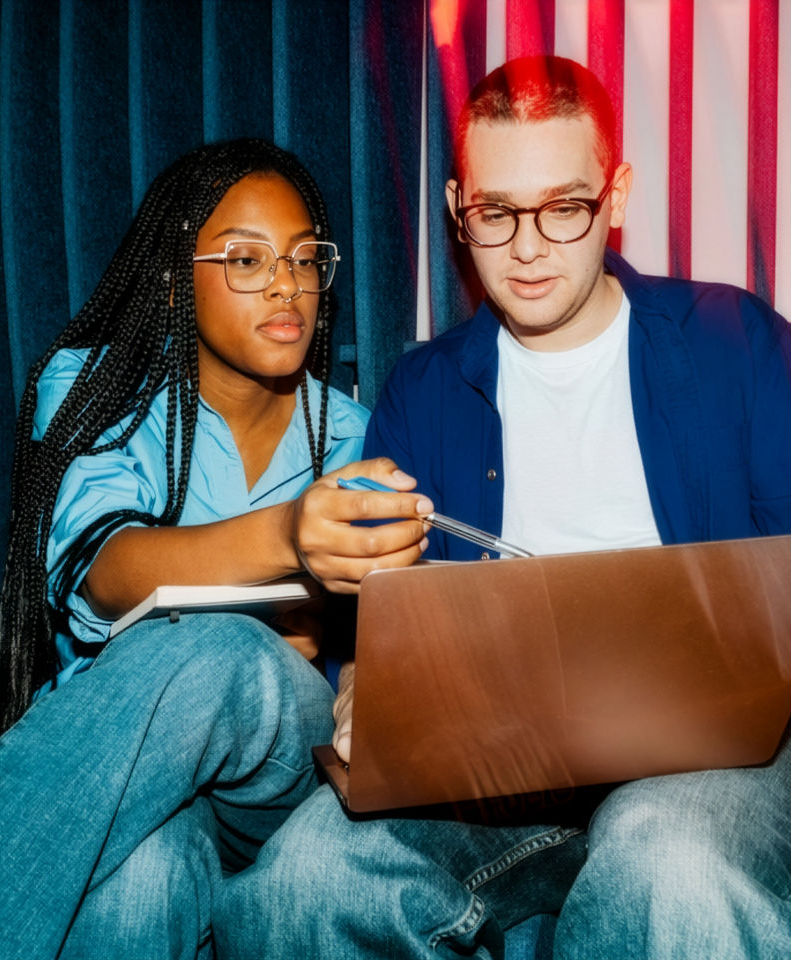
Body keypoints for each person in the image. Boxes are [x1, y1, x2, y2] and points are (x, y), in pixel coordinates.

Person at [215, 57, 791, 959]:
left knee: (665, 861)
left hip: (708, 763)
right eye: (495, 212)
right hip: (494, 773)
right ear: (457, 207)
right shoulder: (423, 390)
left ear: (617, 193)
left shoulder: (739, 341)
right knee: (302, 882)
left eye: (565, 207)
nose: (528, 248)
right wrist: (366, 688)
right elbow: (378, 621)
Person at [0, 138, 432, 959]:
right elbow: (104, 572)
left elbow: (332, 649)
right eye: (244, 258)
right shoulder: (95, 392)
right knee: (147, 879)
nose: (284, 283)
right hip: (123, 785)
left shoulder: (353, 437)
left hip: (283, 777)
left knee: (223, 648)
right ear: (172, 276)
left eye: (305, 260)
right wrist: (287, 539)